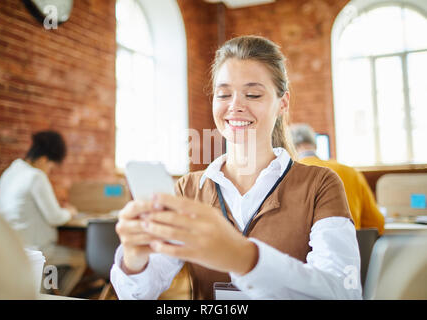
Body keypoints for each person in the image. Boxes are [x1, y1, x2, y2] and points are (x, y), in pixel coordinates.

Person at [110, 36, 362, 300]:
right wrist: (135, 258)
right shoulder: (187, 189)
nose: (235, 106)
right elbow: (136, 294)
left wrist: (244, 258)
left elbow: (343, 292)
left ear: (283, 103)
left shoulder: (320, 184)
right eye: (223, 94)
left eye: (253, 94)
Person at [0, 130, 86, 296]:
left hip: (11, 247)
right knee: (82, 259)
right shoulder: (36, 176)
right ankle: (59, 297)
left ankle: (51, 293)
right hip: (37, 250)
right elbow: (55, 217)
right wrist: (70, 212)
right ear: (44, 159)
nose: (49, 172)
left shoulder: (9, 173)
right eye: (51, 167)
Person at [290, 123, 385, 235]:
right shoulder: (351, 172)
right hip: (354, 249)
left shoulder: (289, 175)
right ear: (315, 145)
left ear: (289, 146)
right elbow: (376, 223)